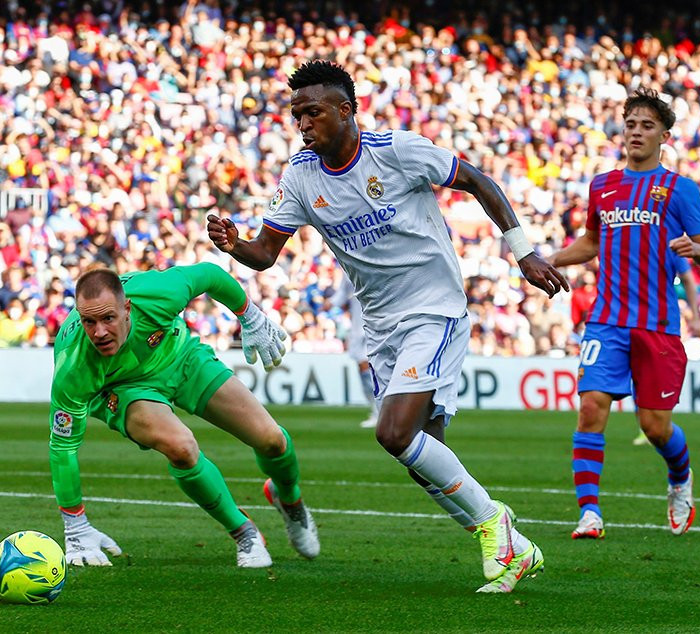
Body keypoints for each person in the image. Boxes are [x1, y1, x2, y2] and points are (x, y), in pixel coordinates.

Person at [206, 60, 569, 592]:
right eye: (296, 115)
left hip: (434, 310)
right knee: (425, 457)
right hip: (380, 329)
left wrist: (524, 252)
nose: (304, 124)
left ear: (346, 110)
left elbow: (478, 180)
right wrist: (233, 244)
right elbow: (265, 253)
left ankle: (497, 527)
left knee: (392, 433)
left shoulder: (396, 151)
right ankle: (511, 546)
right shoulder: (301, 176)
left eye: (314, 112)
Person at [48, 263, 318, 569]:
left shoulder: (158, 292)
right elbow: (62, 448)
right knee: (180, 447)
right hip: (125, 389)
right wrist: (75, 525)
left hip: (181, 359)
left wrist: (249, 314)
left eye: (108, 318)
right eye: (88, 321)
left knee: (270, 439)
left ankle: (289, 500)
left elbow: (210, 274)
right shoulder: (72, 363)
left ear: (127, 308)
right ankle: (244, 532)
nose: (99, 332)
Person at [548, 87, 700, 539]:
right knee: (590, 409)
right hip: (608, 320)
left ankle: (680, 477)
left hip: (658, 325)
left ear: (664, 135)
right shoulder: (602, 186)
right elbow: (592, 241)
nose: (637, 132)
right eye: (631, 124)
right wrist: (550, 259)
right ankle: (589, 512)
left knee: (654, 427)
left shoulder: (680, 190)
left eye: (647, 125)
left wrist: (693, 248)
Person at [633, 254, 698, 446]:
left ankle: (658, 427)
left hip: (662, 329)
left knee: (657, 413)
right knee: (636, 384)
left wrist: (694, 314)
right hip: (631, 325)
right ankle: (643, 429)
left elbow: (688, 277)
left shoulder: (670, 246)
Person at [332, 272, 378, 428]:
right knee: (365, 368)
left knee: (372, 369)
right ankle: (378, 410)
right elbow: (341, 298)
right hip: (359, 328)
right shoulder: (347, 269)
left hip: (375, 326)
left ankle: (380, 411)